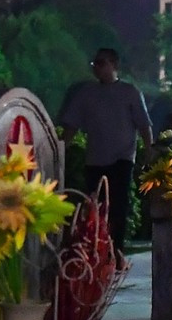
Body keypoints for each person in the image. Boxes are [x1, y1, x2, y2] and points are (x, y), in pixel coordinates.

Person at [58, 47, 153, 247]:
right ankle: (95, 246)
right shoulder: (86, 94)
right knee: (94, 206)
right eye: (95, 64)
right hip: (95, 159)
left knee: (118, 206)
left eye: (101, 63)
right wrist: (60, 148)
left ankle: (115, 249)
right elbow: (72, 125)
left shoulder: (130, 92)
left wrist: (149, 150)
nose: (96, 68)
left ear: (114, 65)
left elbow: (144, 125)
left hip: (122, 159)